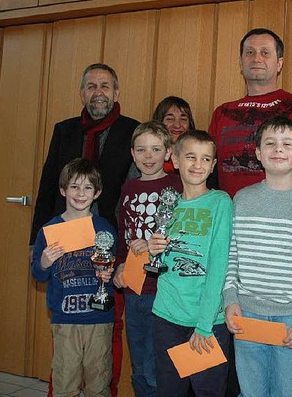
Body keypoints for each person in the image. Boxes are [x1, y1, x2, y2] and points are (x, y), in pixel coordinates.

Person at [30, 63, 138, 397]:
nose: (98, 93)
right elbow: (49, 183)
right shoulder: (64, 129)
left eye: (105, 86)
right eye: (91, 86)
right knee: (64, 346)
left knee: (106, 333)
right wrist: (37, 244)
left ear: (116, 92)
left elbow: (135, 187)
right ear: (82, 92)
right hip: (64, 242)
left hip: (109, 240)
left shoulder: (131, 130)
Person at [223, 116, 292, 397]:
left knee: (287, 391)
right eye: (269, 143)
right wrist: (231, 300)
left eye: (286, 144)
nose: (278, 149)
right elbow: (231, 256)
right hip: (248, 315)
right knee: (251, 391)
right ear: (258, 153)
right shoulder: (242, 199)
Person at [148, 130, 232, 397]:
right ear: (174, 158)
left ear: (213, 165)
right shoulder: (168, 203)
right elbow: (160, 260)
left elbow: (219, 265)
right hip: (167, 317)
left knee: (208, 391)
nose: (198, 165)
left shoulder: (220, 202)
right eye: (191, 157)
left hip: (207, 322)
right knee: (169, 391)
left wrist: (204, 325)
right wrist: (153, 251)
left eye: (206, 159)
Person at [31, 158, 116, 397]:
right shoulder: (49, 230)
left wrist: (108, 273)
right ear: (63, 190)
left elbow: (112, 265)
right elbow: (37, 274)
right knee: (64, 382)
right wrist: (45, 262)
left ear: (97, 192)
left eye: (88, 187)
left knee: (98, 383)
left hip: (99, 318)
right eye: (74, 187)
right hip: (64, 319)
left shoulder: (104, 229)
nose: (81, 193)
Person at [112, 121, 183, 397]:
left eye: (155, 149)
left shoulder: (177, 185)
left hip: (164, 288)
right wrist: (120, 265)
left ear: (168, 153)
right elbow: (123, 232)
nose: (148, 156)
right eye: (141, 150)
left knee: (157, 364)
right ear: (132, 153)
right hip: (134, 286)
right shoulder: (128, 189)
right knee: (139, 361)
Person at [208, 28, 292, 198]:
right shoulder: (222, 112)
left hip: (279, 214)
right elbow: (210, 172)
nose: (256, 58)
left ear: (279, 63)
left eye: (265, 52)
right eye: (250, 52)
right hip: (230, 215)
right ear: (240, 62)